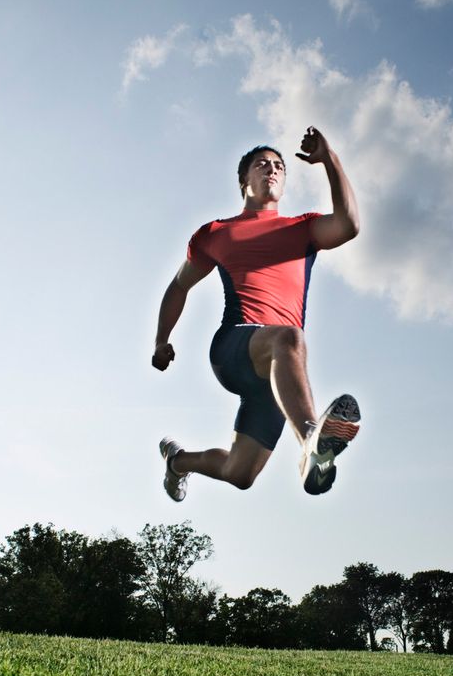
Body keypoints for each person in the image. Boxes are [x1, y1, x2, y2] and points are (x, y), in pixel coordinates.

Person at [152, 125, 360, 501]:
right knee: (288, 335)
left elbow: (349, 225)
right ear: (243, 181)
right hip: (235, 346)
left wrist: (330, 158)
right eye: (262, 164)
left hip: (277, 378)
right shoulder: (216, 233)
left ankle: (178, 462)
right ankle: (312, 439)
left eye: (279, 166)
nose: (273, 169)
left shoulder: (303, 228)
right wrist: (161, 340)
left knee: (240, 473)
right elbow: (179, 285)